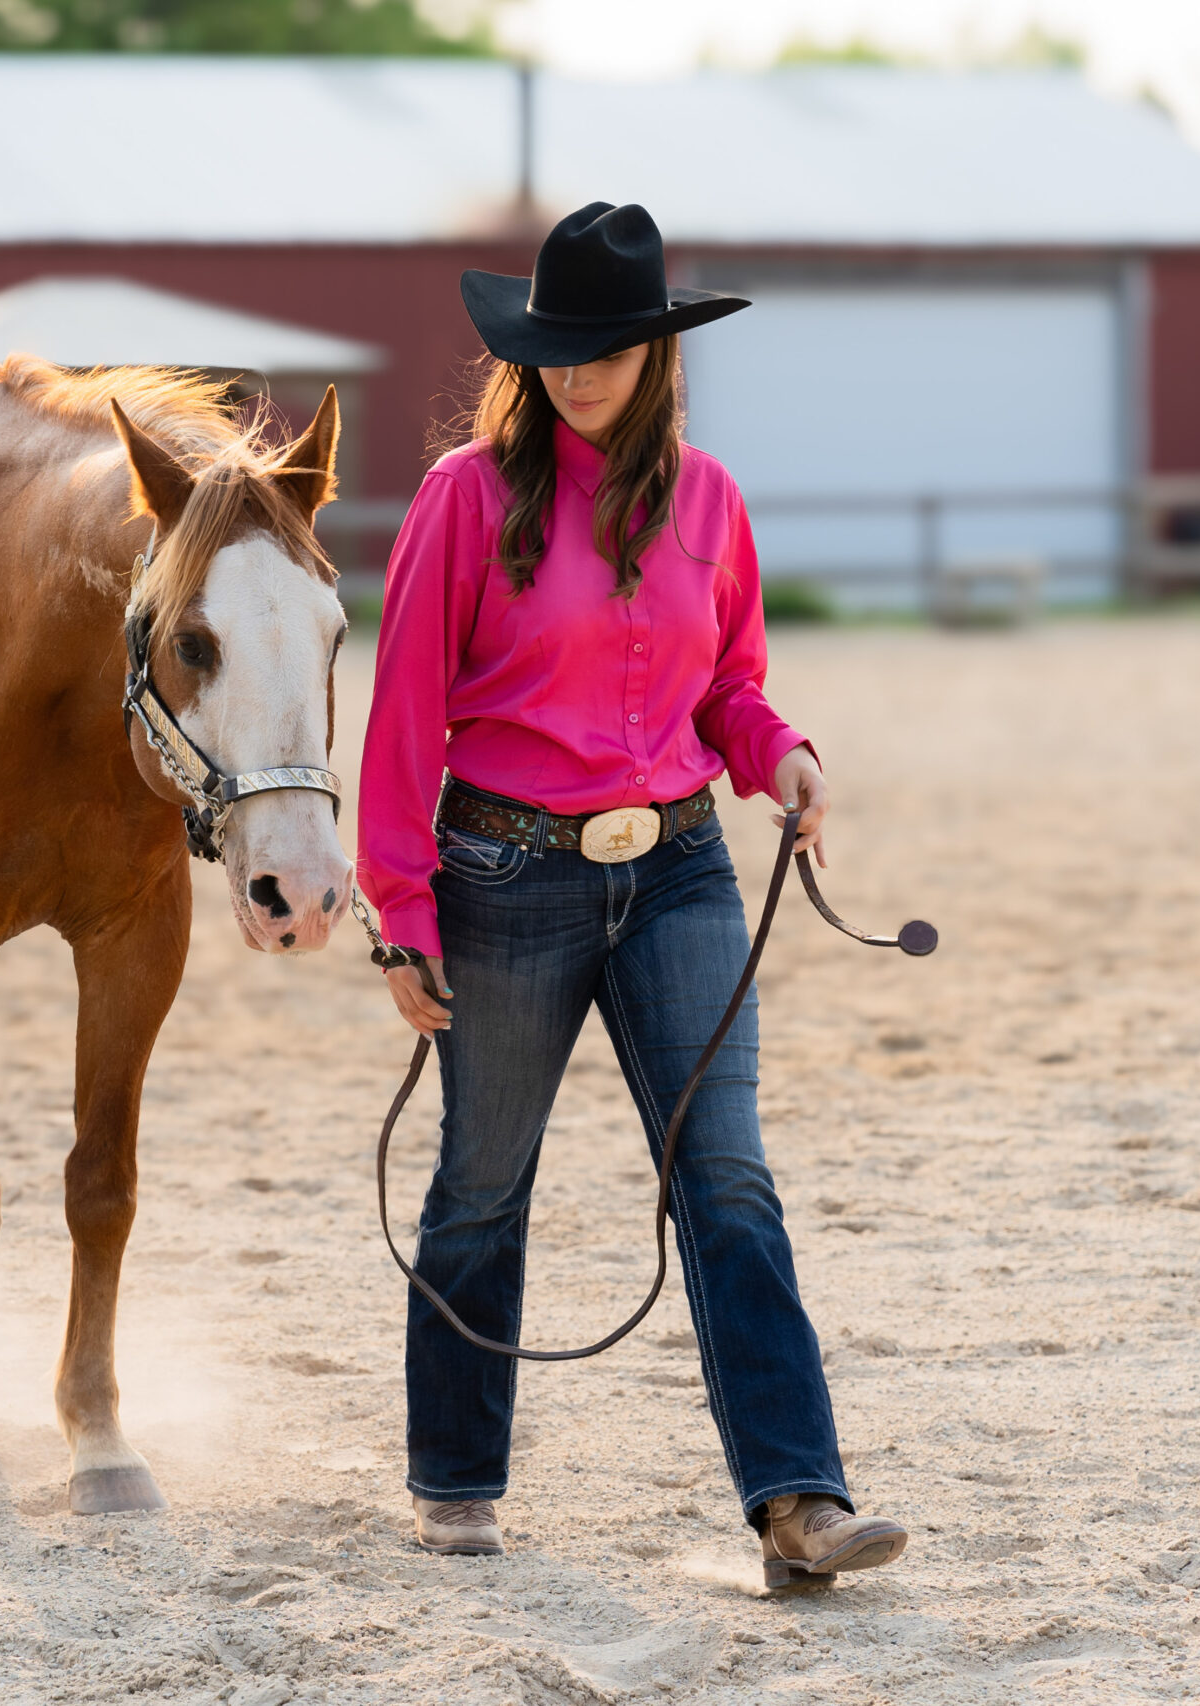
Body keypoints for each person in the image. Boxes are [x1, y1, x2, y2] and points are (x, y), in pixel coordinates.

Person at [357, 202, 908, 1588]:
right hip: (500, 874)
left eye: (604, 344)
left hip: (677, 871)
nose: (576, 368)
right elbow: (405, 720)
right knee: (482, 1182)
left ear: (656, 349)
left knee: (729, 1175)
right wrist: (401, 914)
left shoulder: (711, 500)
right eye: (555, 345)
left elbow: (727, 684)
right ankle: (458, 1476)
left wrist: (777, 753)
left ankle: (799, 1499)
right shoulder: (462, 498)